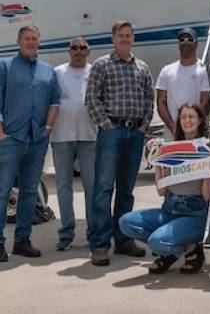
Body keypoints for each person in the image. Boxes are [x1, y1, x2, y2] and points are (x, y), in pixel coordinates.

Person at [0, 25, 60, 262]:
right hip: (9, 139)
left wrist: (47, 128)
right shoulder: (4, 67)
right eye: (27, 38)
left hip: (37, 139)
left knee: (29, 192)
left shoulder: (48, 71)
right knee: (1, 191)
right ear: (19, 41)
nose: (31, 42)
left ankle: (22, 240)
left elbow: (55, 102)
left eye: (35, 38)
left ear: (39, 42)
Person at [85, 20, 155, 266]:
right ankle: (100, 245)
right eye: (121, 35)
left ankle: (124, 240)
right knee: (103, 189)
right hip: (111, 131)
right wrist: (106, 125)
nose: (125, 39)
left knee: (126, 190)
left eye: (129, 35)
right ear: (113, 38)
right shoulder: (102, 65)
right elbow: (92, 98)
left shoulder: (142, 67)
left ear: (132, 38)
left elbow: (149, 98)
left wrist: (144, 125)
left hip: (134, 133)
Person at [119, 103, 210, 275]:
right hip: (169, 208)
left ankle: (187, 246)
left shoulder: (206, 149)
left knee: (156, 242)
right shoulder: (170, 148)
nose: (187, 121)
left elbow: (207, 197)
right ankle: (176, 248)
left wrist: (208, 173)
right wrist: (157, 162)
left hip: (194, 212)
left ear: (200, 120)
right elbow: (162, 191)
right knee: (125, 222)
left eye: (191, 116)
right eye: (183, 117)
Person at [51, 37, 97, 251]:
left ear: (89, 51)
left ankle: (94, 232)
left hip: (89, 136)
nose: (78, 51)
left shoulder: (95, 71)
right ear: (69, 51)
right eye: (74, 48)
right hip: (62, 136)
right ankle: (66, 232)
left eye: (82, 48)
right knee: (63, 186)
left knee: (92, 186)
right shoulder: (58, 72)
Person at [156, 28, 210, 142]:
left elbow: (207, 102)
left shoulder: (206, 69)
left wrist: (191, 128)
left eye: (190, 39)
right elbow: (161, 103)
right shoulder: (166, 71)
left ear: (196, 44)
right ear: (178, 44)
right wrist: (175, 129)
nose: (185, 42)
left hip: (198, 137)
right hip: (171, 136)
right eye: (182, 39)